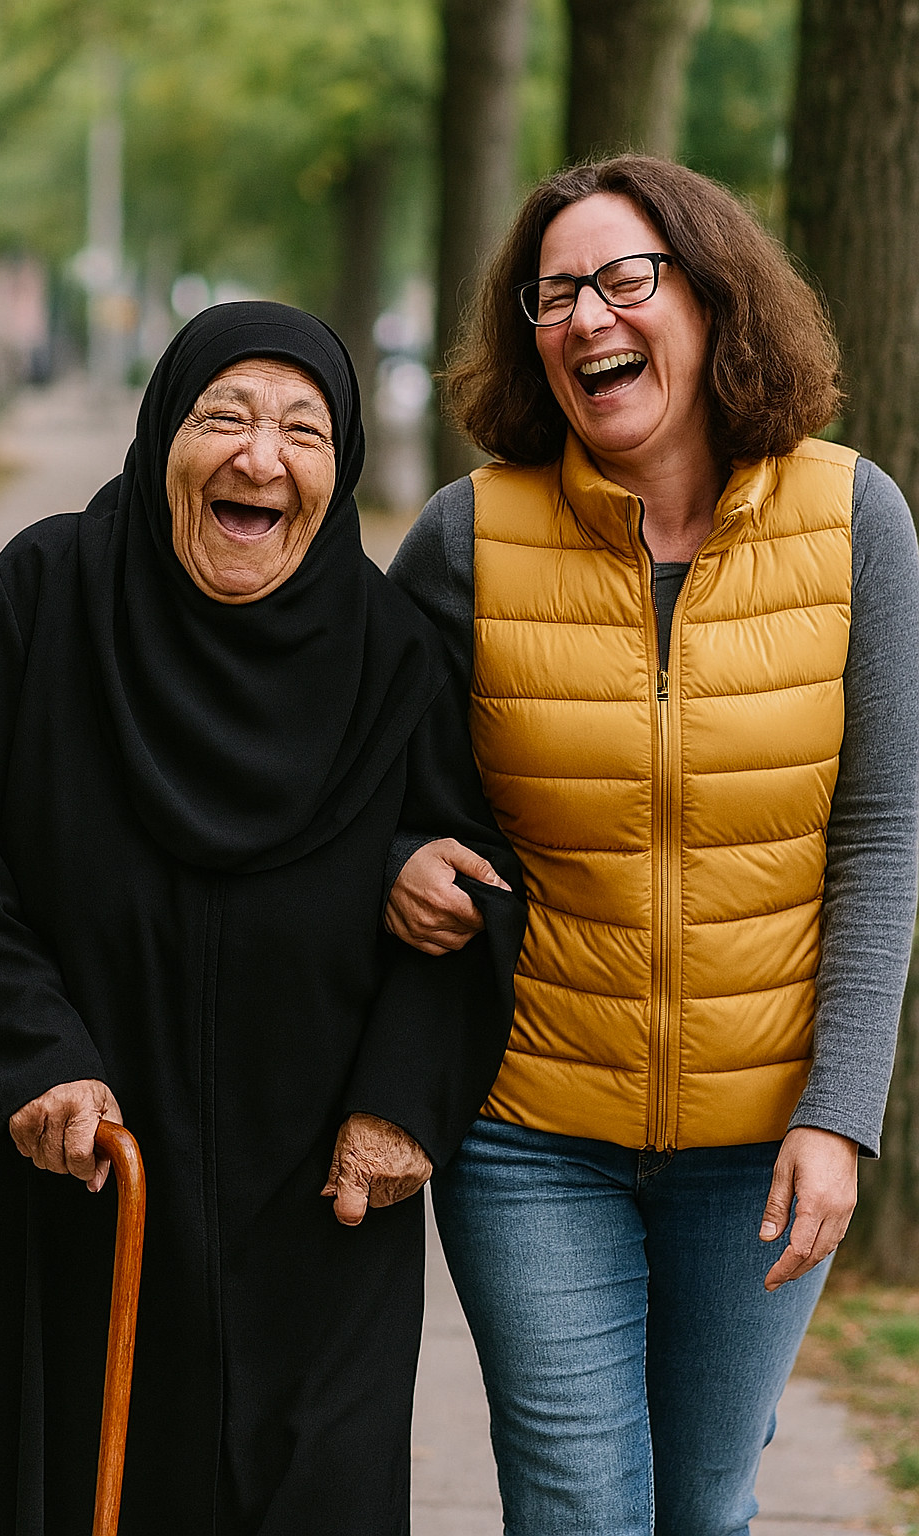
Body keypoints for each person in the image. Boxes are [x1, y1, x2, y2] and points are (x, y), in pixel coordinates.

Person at [0, 301, 524, 1536]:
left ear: (340, 466)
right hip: (74, 1171)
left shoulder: (392, 653)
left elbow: (472, 889)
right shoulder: (45, 595)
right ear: (161, 439)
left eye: (303, 430)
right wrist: (32, 1061)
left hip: (312, 1212)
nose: (260, 456)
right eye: (223, 417)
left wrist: (399, 1106)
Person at [384, 156, 919, 1536]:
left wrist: (839, 1114)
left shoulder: (855, 519)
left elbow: (879, 830)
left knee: (705, 1505)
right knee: (578, 1509)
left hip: (763, 1140)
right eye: (552, 294)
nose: (586, 316)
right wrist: (397, 862)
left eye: (626, 279)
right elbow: (363, 784)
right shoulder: (466, 539)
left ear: (713, 297)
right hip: (528, 1133)